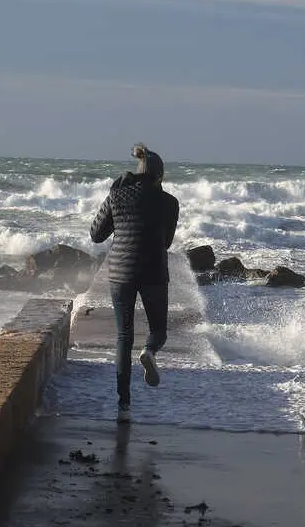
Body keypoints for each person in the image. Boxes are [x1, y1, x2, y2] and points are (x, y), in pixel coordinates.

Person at [90, 143, 180, 423]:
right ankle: (149, 352)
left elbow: (96, 235)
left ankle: (124, 403)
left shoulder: (117, 195)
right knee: (159, 331)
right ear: (160, 176)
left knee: (123, 337)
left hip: (121, 272)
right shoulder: (169, 202)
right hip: (153, 270)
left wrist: (112, 195)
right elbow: (166, 242)